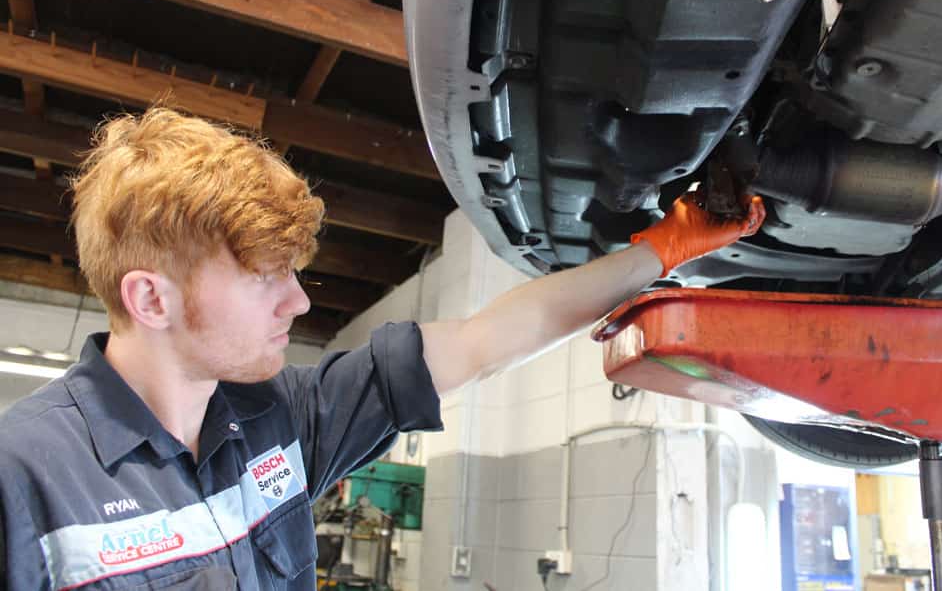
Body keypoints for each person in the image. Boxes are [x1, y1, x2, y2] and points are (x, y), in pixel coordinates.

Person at [0, 108, 764, 590]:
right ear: (150, 299)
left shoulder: (283, 420)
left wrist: (663, 250)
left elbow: (488, 341)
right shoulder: (23, 477)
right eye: (267, 278)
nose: (297, 303)